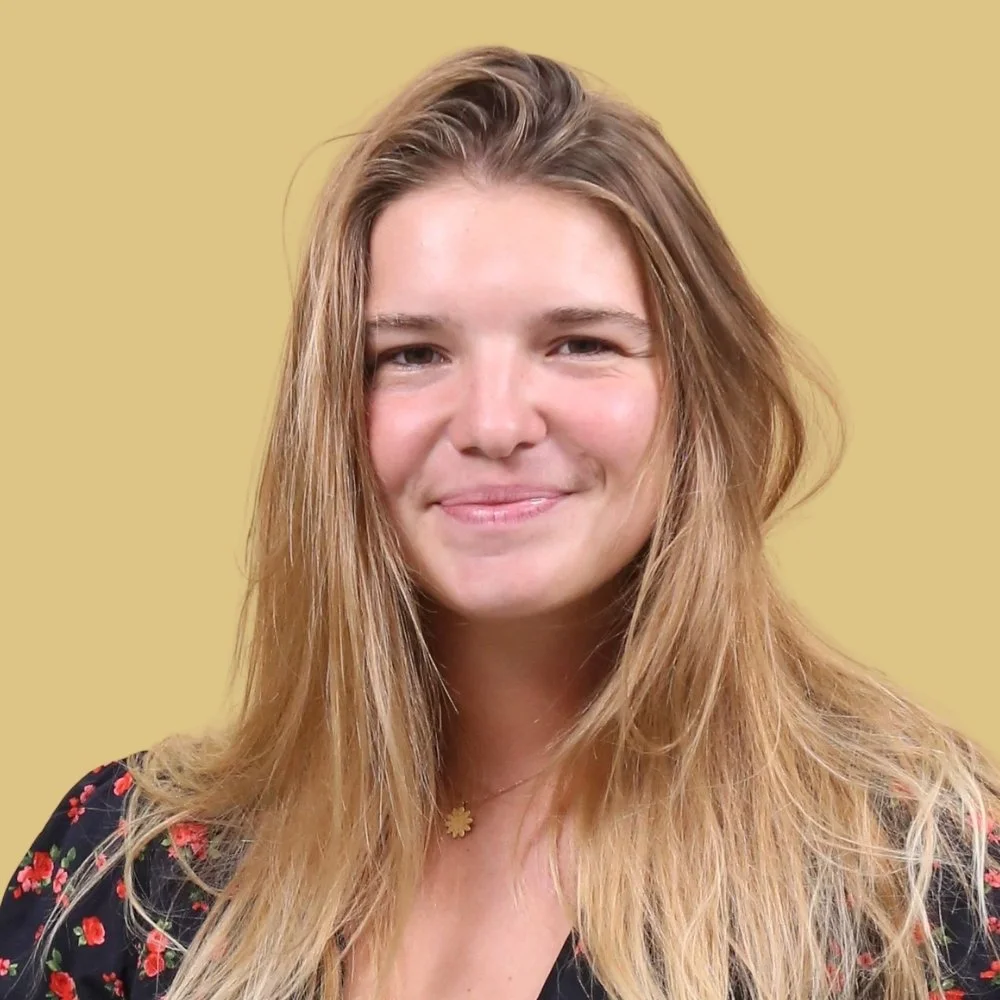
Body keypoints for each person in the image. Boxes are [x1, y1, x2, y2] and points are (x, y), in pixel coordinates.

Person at [1, 43, 998, 1000]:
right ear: (332, 418)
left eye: (577, 343)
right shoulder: (124, 877)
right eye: (412, 354)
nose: (490, 424)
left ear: (703, 392)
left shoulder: (907, 873)